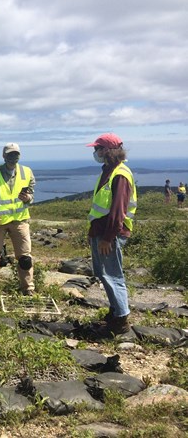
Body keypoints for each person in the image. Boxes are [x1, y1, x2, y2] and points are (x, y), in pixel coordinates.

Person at [86, 133, 137, 337]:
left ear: (108, 150)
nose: (95, 153)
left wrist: (107, 237)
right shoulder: (109, 170)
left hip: (111, 235)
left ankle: (121, 319)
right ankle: (115, 311)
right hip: (102, 232)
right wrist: (94, 232)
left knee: (112, 274)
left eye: (97, 149)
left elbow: (118, 211)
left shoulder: (120, 174)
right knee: (103, 273)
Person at [0, 143, 36, 296]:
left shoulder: (27, 172)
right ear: (4, 156)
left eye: (16, 154)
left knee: (25, 258)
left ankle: (28, 289)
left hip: (20, 220)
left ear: (20, 155)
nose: (13, 157)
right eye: (10, 154)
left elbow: (31, 194)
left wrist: (28, 198)